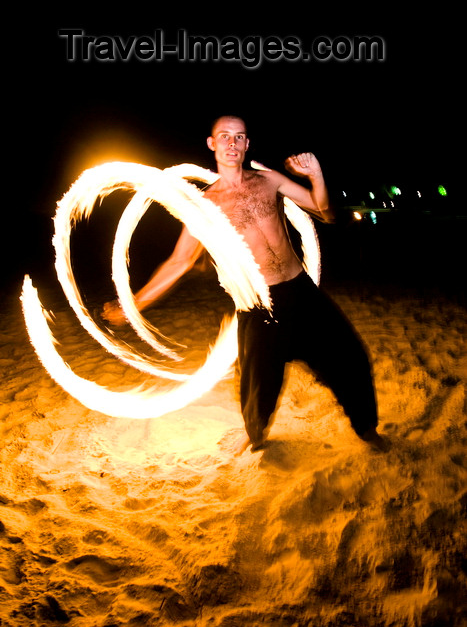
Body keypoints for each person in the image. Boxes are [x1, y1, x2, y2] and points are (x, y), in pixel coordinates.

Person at [102, 116, 386, 453]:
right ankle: (256, 433)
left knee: (349, 357)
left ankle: (367, 431)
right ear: (212, 144)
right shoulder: (205, 206)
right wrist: (136, 303)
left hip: (300, 289)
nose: (232, 143)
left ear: (247, 144)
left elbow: (325, 212)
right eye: (224, 136)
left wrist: (315, 175)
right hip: (258, 302)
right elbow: (179, 262)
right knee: (258, 384)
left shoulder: (269, 180)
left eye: (239, 137)